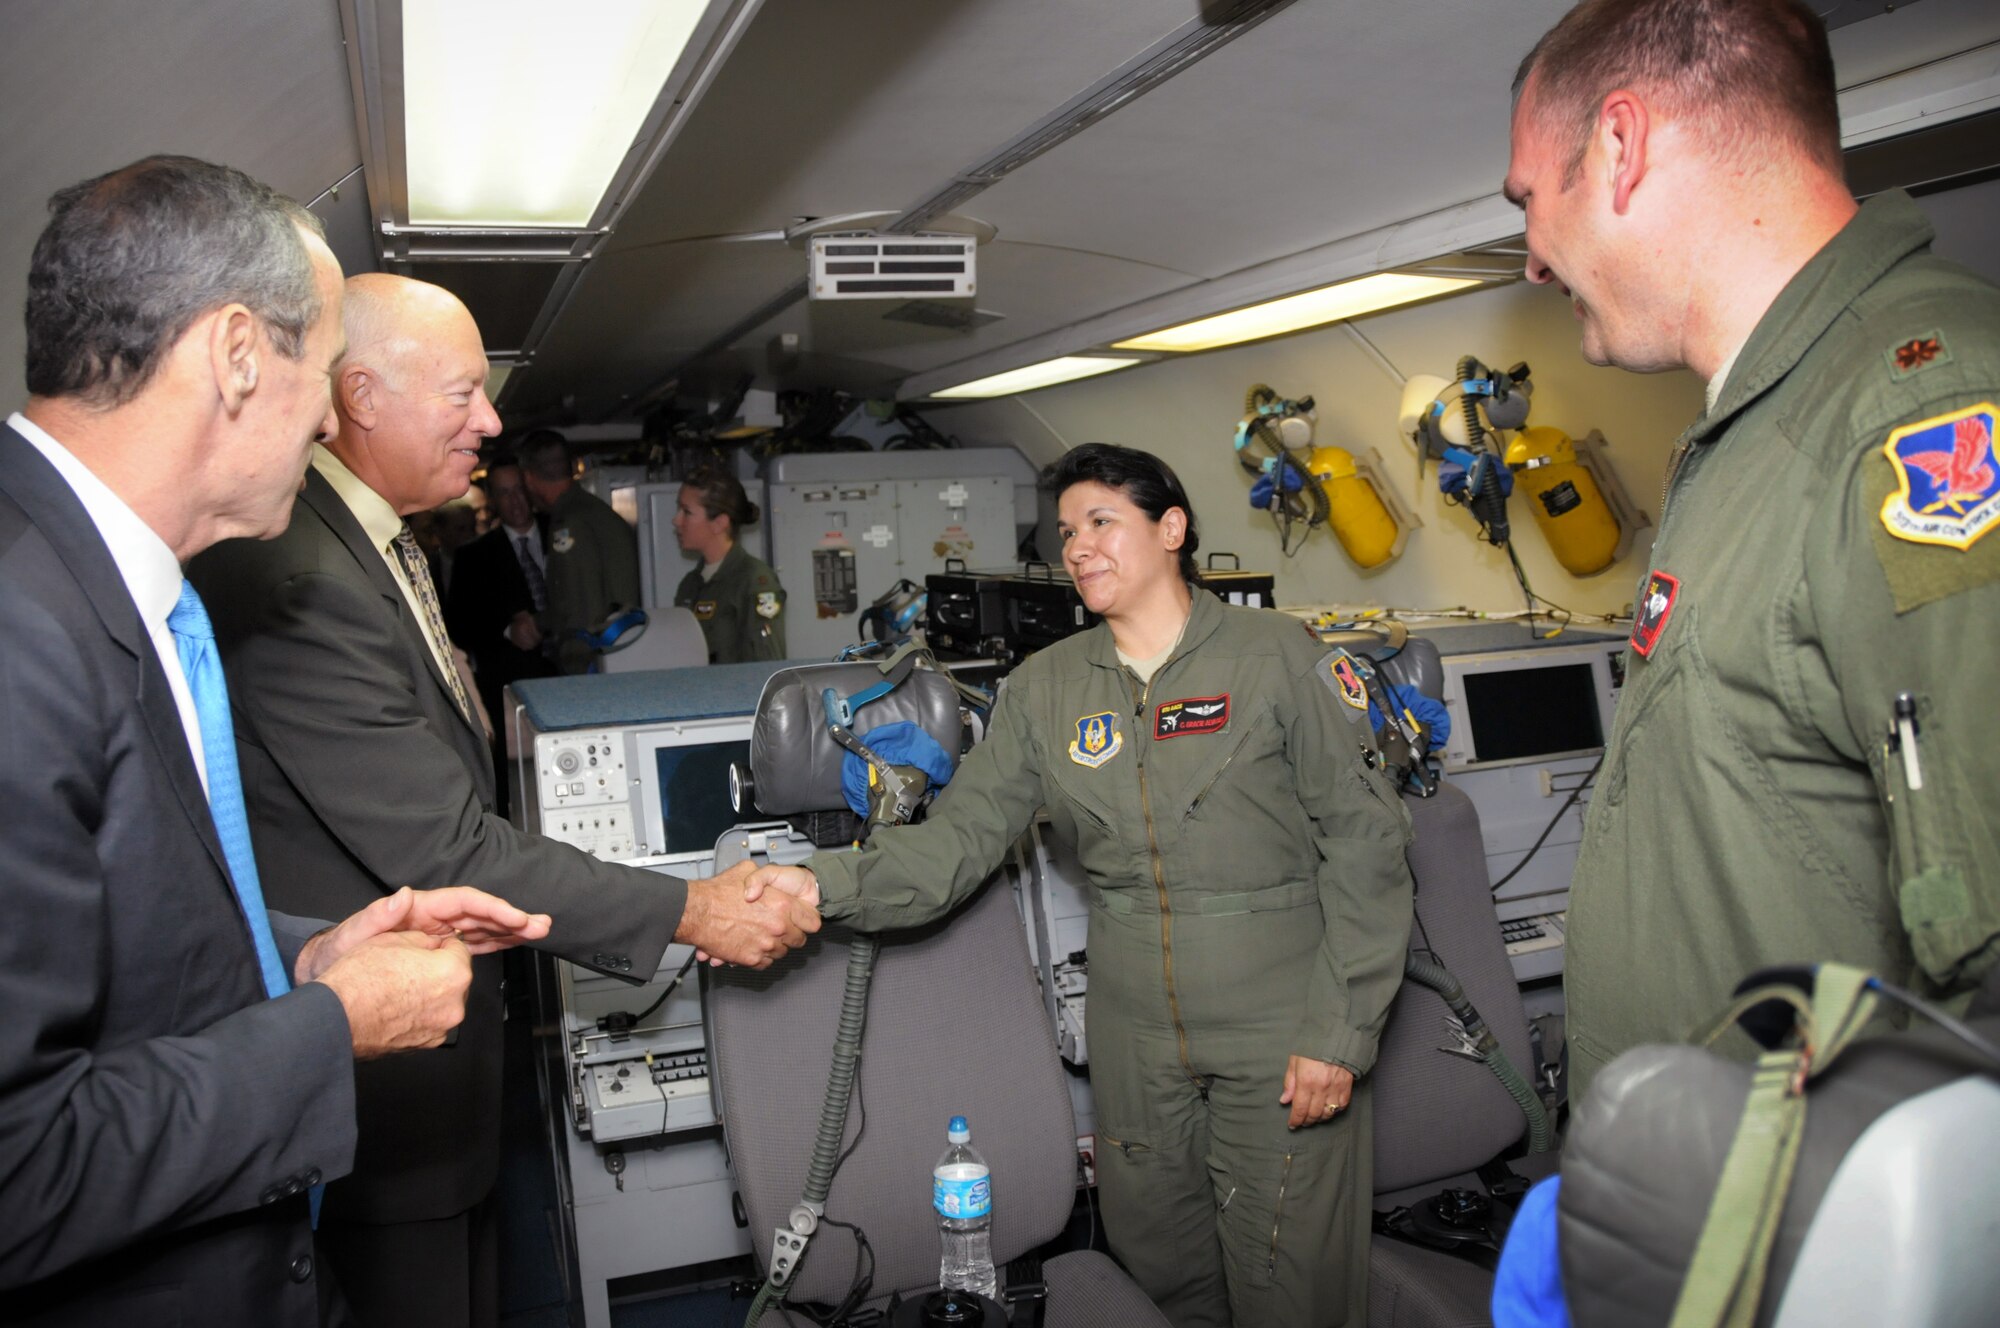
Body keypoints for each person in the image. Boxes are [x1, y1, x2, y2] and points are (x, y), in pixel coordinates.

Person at [187, 273, 821, 1328]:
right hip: (383, 1098)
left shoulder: (366, 545)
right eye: (461, 393)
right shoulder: (296, 575)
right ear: (359, 395)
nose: (489, 421)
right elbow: (444, 842)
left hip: (438, 1063)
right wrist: (693, 908)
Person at [0, 156, 549, 1328]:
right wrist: (331, 1024)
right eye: (322, 362)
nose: (328, 412)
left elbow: (127, 939)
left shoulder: (112, 591)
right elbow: (18, 1165)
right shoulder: (19, 631)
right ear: (239, 354)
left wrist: (301, 953)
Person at [748, 444, 1414, 1327]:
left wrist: (1342, 1030)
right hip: (1135, 1039)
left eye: (1101, 521)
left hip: (1282, 1027)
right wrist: (811, 885)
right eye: (1066, 531)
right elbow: (952, 848)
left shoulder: (1276, 657)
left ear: (1171, 529)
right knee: (1164, 1280)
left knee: (1293, 1286)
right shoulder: (1046, 689)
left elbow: (1368, 846)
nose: (1077, 547)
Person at [1504, 0, 2000, 1099]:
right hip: (1704, 1210)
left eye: (1528, 199)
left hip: (1820, 1235)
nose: (1531, 259)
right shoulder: (1757, 431)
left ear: (1619, 148)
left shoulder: (1915, 413)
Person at [444, 458, 559, 804]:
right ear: (493, 500)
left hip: (570, 674)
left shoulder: (563, 530)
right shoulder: (474, 557)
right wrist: (507, 630)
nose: (515, 501)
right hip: (512, 688)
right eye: (504, 493)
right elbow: (459, 628)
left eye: (520, 490)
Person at [517, 429, 640, 673]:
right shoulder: (593, 511)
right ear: (572, 467)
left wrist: (574, 665)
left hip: (595, 661)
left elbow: (577, 606)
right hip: (618, 653)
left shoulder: (569, 522)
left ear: (529, 479)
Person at [671, 467, 787, 662]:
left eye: (687, 512)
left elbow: (767, 666)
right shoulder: (690, 585)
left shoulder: (755, 580)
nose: (676, 520)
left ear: (720, 523)